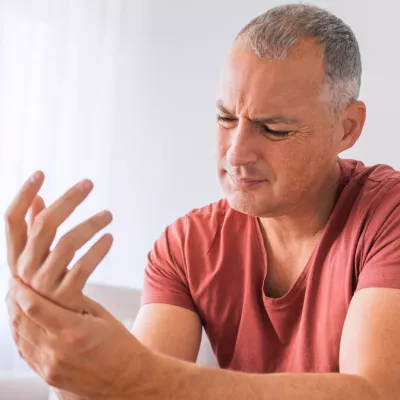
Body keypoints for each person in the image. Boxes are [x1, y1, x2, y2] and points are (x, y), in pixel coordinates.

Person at [4, 3, 400, 399]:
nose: (236, 154)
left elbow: (376, 392)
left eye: (274, 128)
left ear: (347, 128)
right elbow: (131, 390)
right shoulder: (187, 246)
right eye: (226, 118)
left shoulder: (388, 214)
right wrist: (69, 346)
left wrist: (137, 373)